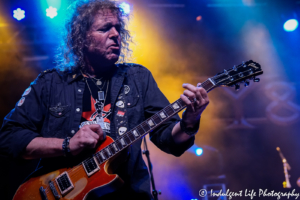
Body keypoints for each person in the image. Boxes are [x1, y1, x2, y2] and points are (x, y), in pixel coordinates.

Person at [0, 0, 209, 199]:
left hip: (128, 195)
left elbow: (168, 140)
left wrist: (189, 122)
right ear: (80, 37)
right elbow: (9, 138)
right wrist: (67, 145)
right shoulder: (50, 83)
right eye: (104, 29)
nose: (115, 35)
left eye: (118, 28)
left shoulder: (137, 77)